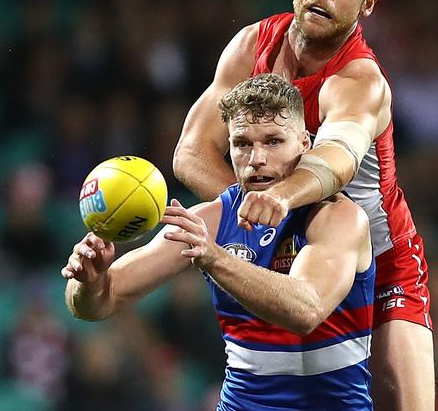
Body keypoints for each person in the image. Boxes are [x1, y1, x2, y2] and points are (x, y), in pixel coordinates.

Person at [172, 0, 434, 409]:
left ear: (368, 5)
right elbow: (190, 152)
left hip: (382, 262)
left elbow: (335, 159)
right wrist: (252, 214)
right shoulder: (252, 47)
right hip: (291, 250)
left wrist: (278, 200)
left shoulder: (359, 80)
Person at [62, 74, 376, 410]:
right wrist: (88, 282)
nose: (256, 158)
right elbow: (98, 304)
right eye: (242, 144)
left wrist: (216, 258)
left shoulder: (339, 218)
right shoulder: (210, 220)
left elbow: (305, 310)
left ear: (304, 144)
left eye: (272, 142)